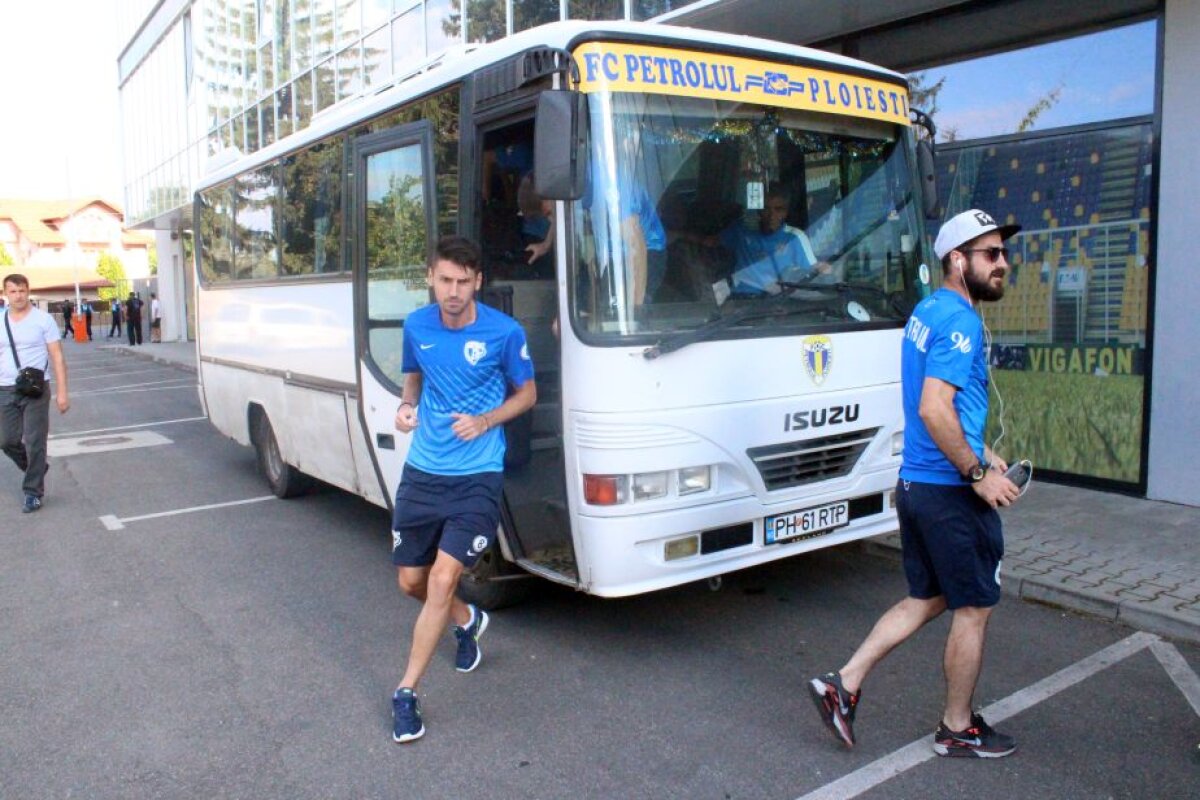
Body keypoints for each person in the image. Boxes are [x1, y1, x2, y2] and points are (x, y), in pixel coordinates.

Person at [808, 209, 1023, 758]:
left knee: (928, 598)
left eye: (1003, 252)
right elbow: (933, 407)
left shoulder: (928, 310)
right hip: (948, 491)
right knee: (973, 607)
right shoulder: (962, 322)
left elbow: (948, 409)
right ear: (957, 260)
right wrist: (976, 474)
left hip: (919, 485)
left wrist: (987, 455)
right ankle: (956, 728)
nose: (1003, 263)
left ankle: (843, 684)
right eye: (990, 254)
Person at [390, 236, 536, 744]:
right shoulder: (416, 325)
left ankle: (406, 693)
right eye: (445, 280)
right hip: (424, 471)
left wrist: (486, 419)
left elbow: (528, 393)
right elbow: (414, 376)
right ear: (430, 276)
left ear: (478, 282)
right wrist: (407, 407)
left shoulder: (503, 332)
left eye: (463, 281)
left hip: (477, 474)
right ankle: (468, 620)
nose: (453, 291)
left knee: (442, 577)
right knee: (411, 581)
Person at [1, 273, 70, 513]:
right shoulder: (0, 321)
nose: (18, 296)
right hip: (5, 388)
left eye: (22, 290)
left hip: (36, 389)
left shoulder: (43, 320)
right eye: (13, 291)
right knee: (6, 440)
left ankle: (32, 492)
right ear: (5, 294)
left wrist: (62, 393)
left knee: (34, 442)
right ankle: (37, 468)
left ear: (28, 291)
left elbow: (57, 356)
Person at [688, 185, 831, 294]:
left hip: (780, 302)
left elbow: (810, 272)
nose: (771, 215)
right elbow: (709, 242)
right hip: (740, 300)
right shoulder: (741, 230)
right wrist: (680, 235)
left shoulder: (795, 237)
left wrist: (823, 268)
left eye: (778, 209)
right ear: (758, 209)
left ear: (786, 212)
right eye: (766, 208)